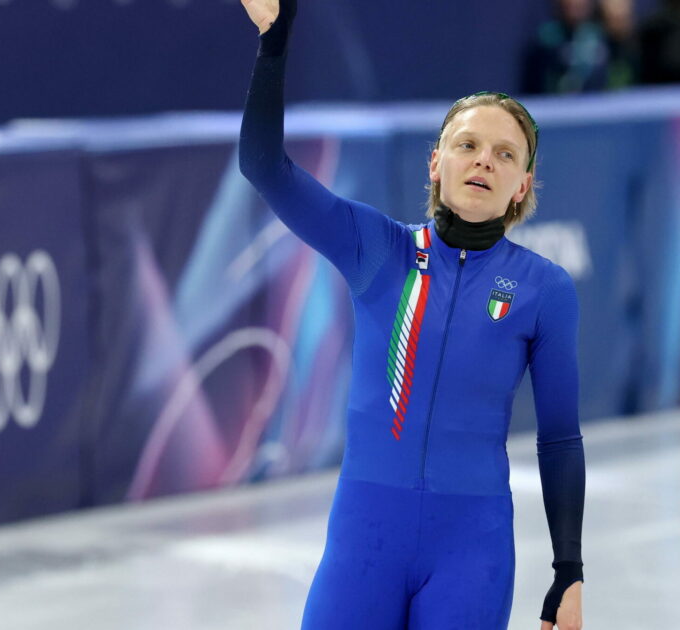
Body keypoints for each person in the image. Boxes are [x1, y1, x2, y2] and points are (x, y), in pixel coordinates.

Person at [238, 1, 587, 629]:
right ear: (436, 163)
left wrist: (567, 574)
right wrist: (274, 44)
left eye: (505, 155)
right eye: (468, 145)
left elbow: (559, 439)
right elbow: (264, 167)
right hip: (364, 541)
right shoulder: (377, 249)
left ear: (523, 187)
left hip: (471, 551)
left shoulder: (544, 290)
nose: (484, 160)